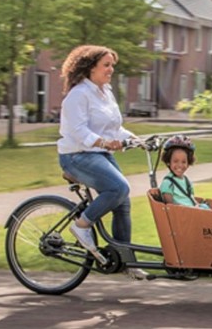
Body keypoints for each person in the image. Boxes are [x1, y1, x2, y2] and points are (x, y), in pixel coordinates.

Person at [57, 45, 147, 280]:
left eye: (112, 65)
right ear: (90, 68)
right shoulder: (77, 95)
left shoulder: (105, 92)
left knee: (123, 202)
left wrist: (134, 139)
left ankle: (126, 260)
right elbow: (78, 132)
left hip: (98, 154)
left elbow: (114, 128)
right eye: (106, 65)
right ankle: (82, 225)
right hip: (76, 155)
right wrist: (104, 143)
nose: (111, 70)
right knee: (119, 188)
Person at [159, 135, 210, 209]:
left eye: (183, 162)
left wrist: (197, 205)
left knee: (205, 207)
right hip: (182, 214)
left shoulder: (187, 181)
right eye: (175, 161)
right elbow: (170, 207)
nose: (180, 165)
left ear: (188, 163)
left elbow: (190, 198)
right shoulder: (168, 183)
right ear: (169, 162)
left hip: (192, 211)